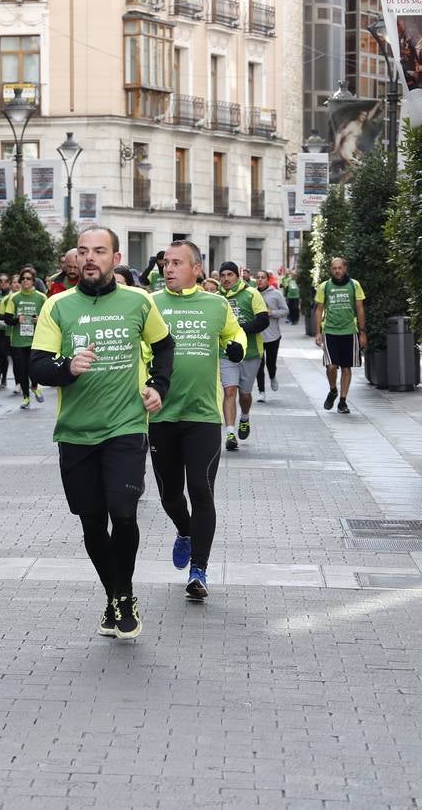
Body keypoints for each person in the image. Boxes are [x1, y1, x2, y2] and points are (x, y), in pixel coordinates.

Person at [30, 226, 174, 640]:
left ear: (115, 257)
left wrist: (158, 387)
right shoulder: (57, 307)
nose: (89, 258)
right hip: (75, 433)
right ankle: (113, 594)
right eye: (83, 251)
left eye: (99, 251)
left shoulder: (139, 301)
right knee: (92, 522)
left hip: (125, 427)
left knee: (124, 513)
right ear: (75, 258)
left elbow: (164, 347)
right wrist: (66, 368)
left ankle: (124, 595)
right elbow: (37, 365)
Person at [148, 242, 246, 601]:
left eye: (176, 263)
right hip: (161, 414)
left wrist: (236, 347)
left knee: (202, 492)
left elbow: (234, 334)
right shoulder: (152, 304)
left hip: (203, 415)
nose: (168, 269)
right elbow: (142, 347)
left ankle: (199, 570)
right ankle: (184, 531)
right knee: (170, 495)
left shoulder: (216, 305)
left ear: (196, 269)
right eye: (165, 263)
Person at [217, 261, 269, 451]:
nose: (226, 279)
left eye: (229, 275)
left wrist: (240, 329)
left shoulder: (251, 293)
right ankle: (230, 433)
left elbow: (263, 321)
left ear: (237, 276)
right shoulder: (216, 298)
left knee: (244, 394)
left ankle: (244, 417)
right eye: (222, 276)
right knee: (229, 391)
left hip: (251, 352)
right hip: (226, 353)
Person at [315, 256, 367, 414]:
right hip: (330, 331)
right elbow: (319, 309)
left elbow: (360, 309)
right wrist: (318, 332)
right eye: (334, 268)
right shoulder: (325, 286)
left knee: (346, 368)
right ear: (331, 269)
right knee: (331, 366)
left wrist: (363, 332)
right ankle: (333, 390)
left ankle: (343, 401)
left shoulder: (354, 285)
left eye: (340, 268)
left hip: (349, 332)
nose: (337, 271)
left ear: (345, 268)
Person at [0, 267, 47, 409]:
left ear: (33, 281)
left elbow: (49, 318)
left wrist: (40, 320)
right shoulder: (14, 297)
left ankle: (34, 386)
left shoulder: (41, 297)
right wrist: (16, 320)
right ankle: (26, 397)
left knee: (34, 368)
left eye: (29, 278)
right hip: (18, 341)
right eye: (23, 278)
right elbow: (6, 319)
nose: (26, 281)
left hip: (35, 340)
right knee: (22, 370)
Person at [255, 270, 289, 401]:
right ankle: (261, 392)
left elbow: (285, 311)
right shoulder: (252, 293)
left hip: (273, 335)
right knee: (259, 364)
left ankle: (273, 376)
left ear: (267, 279)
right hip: (257, 335)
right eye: (258, 277)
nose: (260, 280)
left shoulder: (276, 294)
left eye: (262, 277)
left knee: (270, 362)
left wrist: (272, 312)